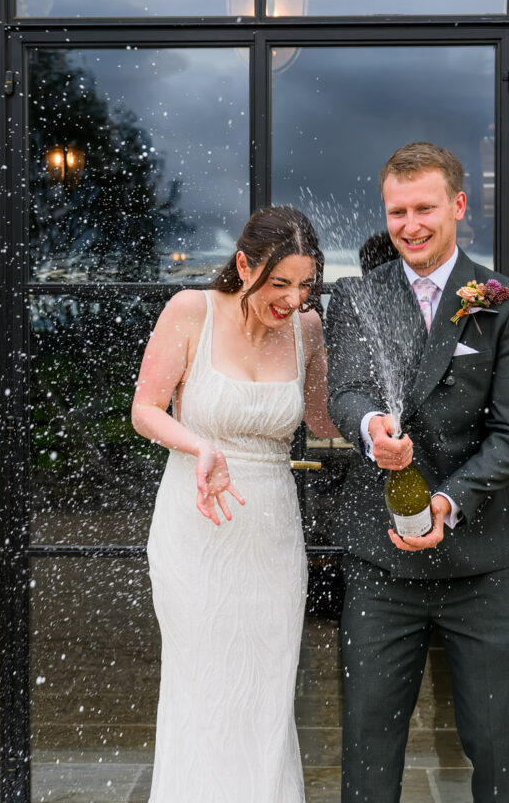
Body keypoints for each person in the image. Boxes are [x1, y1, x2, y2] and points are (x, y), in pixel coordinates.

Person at [326, 143, 509, 803]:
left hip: (481, 563)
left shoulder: (506, 301)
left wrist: (446, 503)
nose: (410, 224)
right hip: (380, 564)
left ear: (457, 206)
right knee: (367, 744)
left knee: (497, 742)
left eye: (423, 207)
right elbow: (347, 391)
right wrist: (372, 432)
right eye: (396, 211)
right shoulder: (357, 295)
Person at [131, 205, 339, 803]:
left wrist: (380, 421)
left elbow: (322, 420)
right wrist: (199, 445)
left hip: (272, 531)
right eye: (280, 283)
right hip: (196, 522)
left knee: (268, 687)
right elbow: (146, 410)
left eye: (305, 284)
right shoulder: (190, 311)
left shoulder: (309, 330)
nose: (293, 299)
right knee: (203, 684)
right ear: (244, 263)